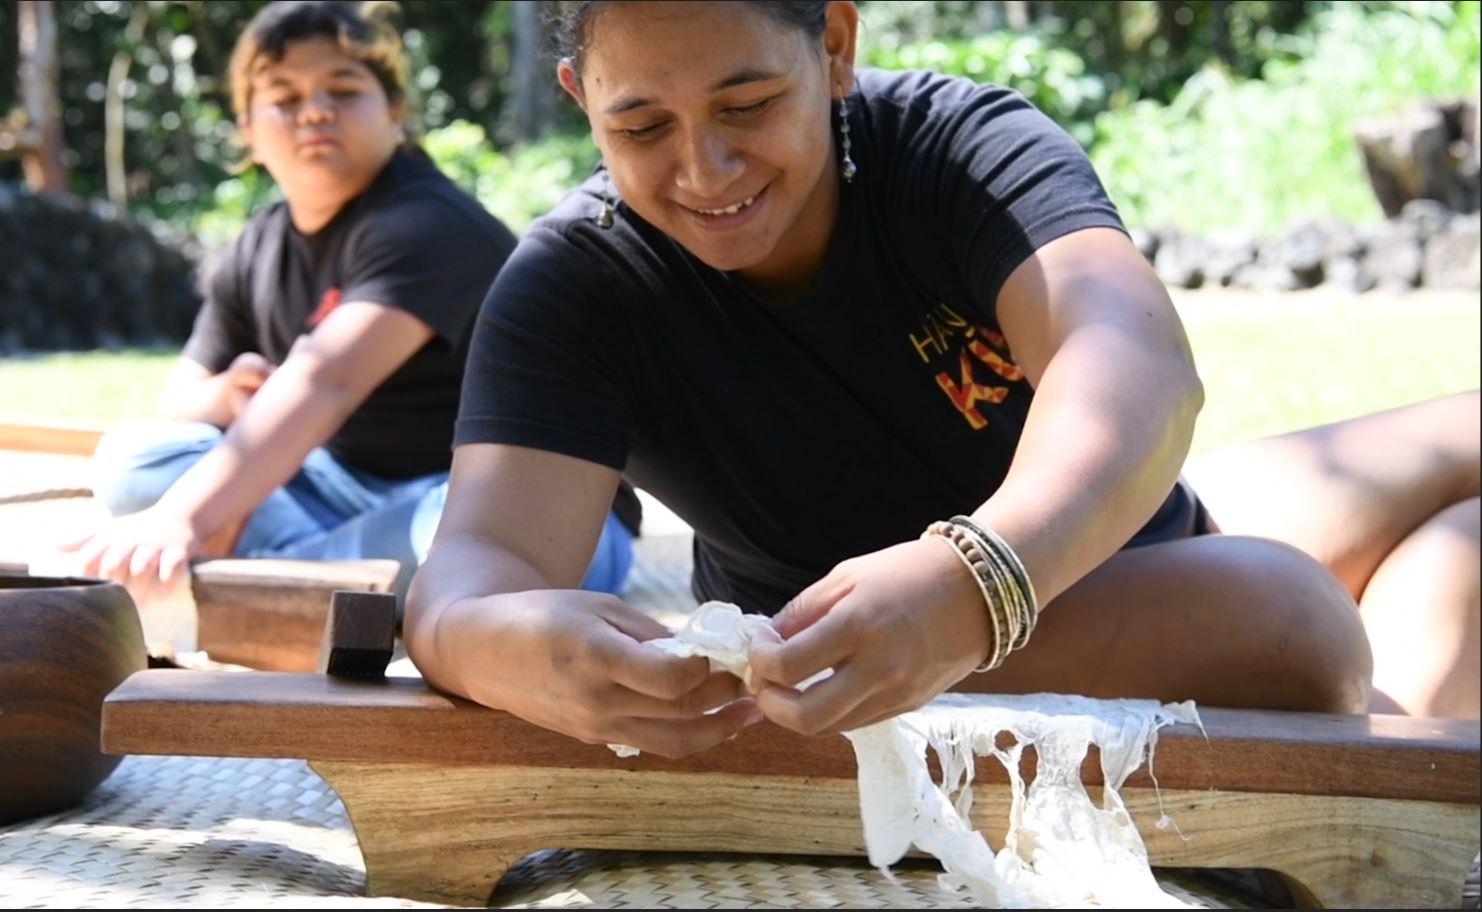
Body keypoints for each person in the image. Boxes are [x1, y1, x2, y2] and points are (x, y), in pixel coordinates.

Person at [404, 0, 1480, 758]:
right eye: (639, 125)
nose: (704, 169)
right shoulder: (577, 281)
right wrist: (500, 647)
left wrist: (977, 583)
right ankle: (1417, 750)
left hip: (1113, 539)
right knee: (1295, 623)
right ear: (580, 99)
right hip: (839, 663)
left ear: (834, 41)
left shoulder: (956, 145)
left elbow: (1135, 360)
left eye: (746, 104)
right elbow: (473, 575)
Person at [58, 0, 641, 601]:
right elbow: (180, 398)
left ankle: (264, 591)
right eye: (284, 98)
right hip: (337, 493)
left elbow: (326, 381)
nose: (314, 111)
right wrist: (228, 396)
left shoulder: (429, 224)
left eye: (342, 89)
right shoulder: (259, 243)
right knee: (131, 458)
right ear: (248, 132)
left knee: (449, 540)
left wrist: (184, 518)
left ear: (395, 113)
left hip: (501, 504)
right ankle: (323, 590)